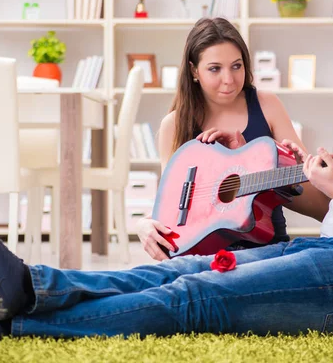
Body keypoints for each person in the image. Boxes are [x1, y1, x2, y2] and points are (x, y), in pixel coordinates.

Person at [0, 0, 333, 339]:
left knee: (197, 297)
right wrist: (266, 168)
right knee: (182, 269)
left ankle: (15, 326)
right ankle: (27, 285)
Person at [135, 17, 314, 260]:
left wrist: (295, 170)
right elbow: (170, 205)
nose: (229, 79)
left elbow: (314, 198)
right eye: (215, 68)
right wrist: (143, 225)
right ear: (193, 70)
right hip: (198, 256)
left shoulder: (268, 105)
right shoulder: (174, 125)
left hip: (266, 251)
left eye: (236, 66)